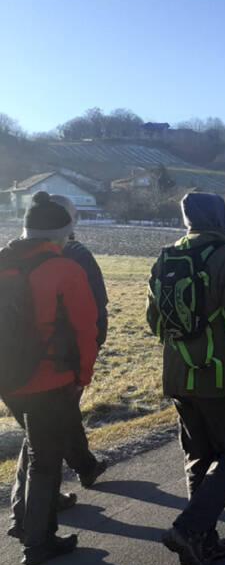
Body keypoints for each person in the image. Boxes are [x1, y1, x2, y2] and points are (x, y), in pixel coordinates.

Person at [147, 192, 225, 565]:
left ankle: (205, 541)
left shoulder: (167, 256)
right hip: (219, 371)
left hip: (178, 372)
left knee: (198, 455)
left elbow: (153, 320)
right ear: (219, 216)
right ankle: (189, 529)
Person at [1, 192, 99, 565]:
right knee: (46, 460)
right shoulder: (65, 269)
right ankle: (38, 542)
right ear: (60, 234)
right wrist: (82, 376)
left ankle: (22, 520)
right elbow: (84, 330)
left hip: (8, 378)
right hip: (49, 379)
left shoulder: (3, 261)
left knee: (33, 446)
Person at [49, 196, 109, 491]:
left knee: (54, 419)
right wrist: (94, 348)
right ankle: (35, 507)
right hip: (69, 353)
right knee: (52, 424)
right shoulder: (77, 254)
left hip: (26, 356)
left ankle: (84, 466)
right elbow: (97, 308)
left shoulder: (18, 254)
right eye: (74, 215)